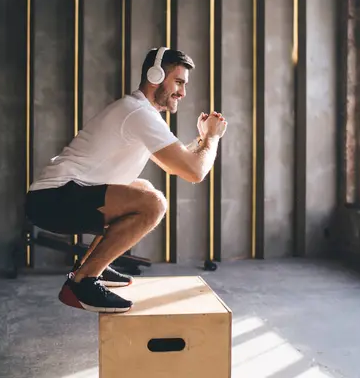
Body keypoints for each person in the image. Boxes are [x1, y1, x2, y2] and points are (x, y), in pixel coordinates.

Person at [25, 47, 228, 313]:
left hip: (57, 196)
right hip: (53, 198)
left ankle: (88, 265)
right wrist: (212, 138)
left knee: (143, 188)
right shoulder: (138, 114)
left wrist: (203, 139)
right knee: (153, 204)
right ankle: (82, 283)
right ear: (155, 75)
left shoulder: (141, 112)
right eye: (178, 82)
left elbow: (175, 162)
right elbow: (195, 172)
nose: (183, 92)